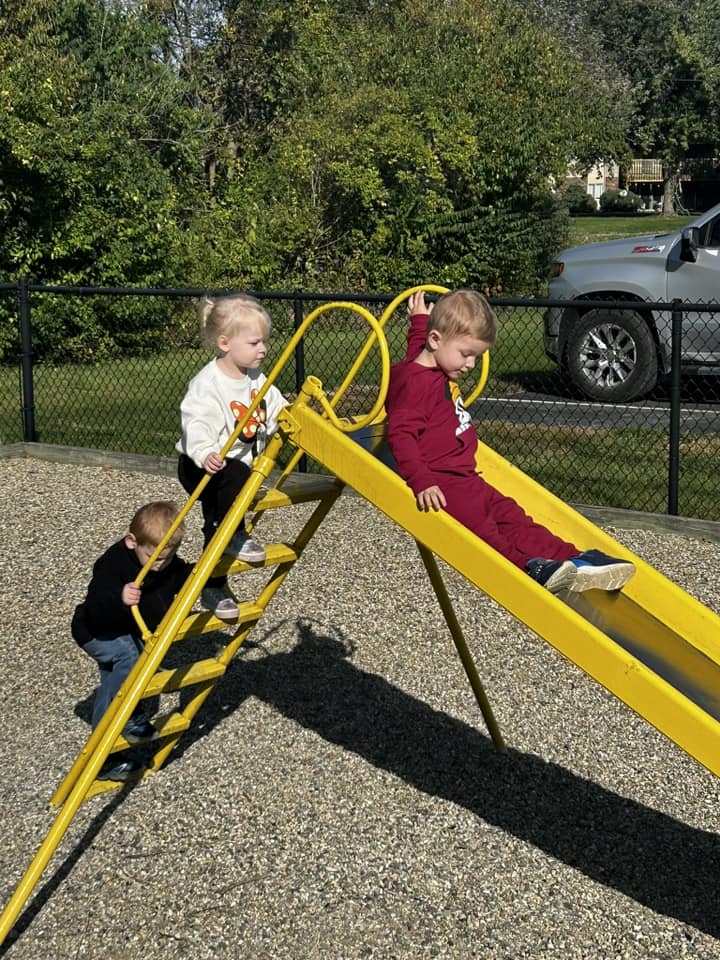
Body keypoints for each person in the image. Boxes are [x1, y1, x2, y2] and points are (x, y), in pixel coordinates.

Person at [385, 290, 635, 594]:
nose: (471, 364)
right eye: (466, 354)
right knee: (488, 534)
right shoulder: (414, 384)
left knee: (514, 517)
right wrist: (422, 481)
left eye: (476, 356)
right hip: (444, 484)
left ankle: (573, 558)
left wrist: (418, 321)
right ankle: (528, 568)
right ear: (436, 340)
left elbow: (418, 348)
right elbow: (401, 435)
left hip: (468, 478)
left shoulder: (431, 360)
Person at [176, 294, 288, 619]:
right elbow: (196, 422)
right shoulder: (208, 384)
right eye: (254, 342)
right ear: (224, 343)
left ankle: (212, 587)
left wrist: (293, 417)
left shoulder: (256, 378)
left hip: (234, 471)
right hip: (202, 465)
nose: (263, 349)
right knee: (228, 502)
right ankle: (234, 536)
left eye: (264, 341)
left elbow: (275, 407)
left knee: (219, 516)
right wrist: (204, 451)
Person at [72, 501, 193, 781]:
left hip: (127, 629)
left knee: (125, 672)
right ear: (131, 542)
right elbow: (94, 607)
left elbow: (182, 575)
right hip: (95, 629)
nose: (160, 565)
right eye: (154, 558)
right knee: (128, 658)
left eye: (167, 558)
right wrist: (119, 598)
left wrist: (211, 574)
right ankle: (105, 750)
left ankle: (127, 722)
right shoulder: (112, 564)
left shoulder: (165, 562)